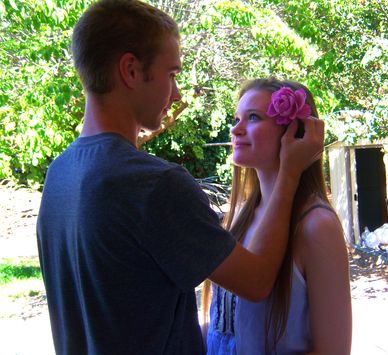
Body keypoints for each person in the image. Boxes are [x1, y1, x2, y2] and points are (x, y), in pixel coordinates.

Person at [36, 1, 324, 354]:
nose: (176, 94)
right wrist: (290, 174)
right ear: (130, 70)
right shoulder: (154, 185)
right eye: (171, 74)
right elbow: (257, 280)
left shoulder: (60, 174)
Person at [205, 79, 352, 354]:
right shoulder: (239, 217)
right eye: (237, 118)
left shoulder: (316, 226)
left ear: (293, 132)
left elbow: (334, 351)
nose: (235, 129)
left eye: (253, 117)